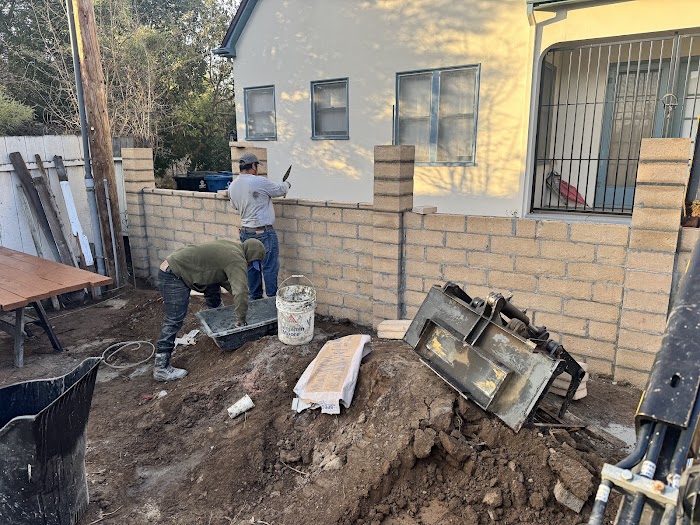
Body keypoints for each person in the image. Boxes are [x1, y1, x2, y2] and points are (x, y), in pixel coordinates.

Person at [153, 238, 266, 382]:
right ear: (249, 255)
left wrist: (244, 303)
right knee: (174, 319)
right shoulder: (237, 259)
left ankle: (217, 324)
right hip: (174, 274)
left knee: (213, 284)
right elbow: (241, 291)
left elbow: (225, 280)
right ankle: (161, 367)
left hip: (175, 267)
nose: (249, 265)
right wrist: (241, 320)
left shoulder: (232, 249)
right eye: (251, 262)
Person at [228, 152, 291, 300]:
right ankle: (271, 301)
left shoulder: (233, 186)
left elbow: (234, 206)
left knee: (252, 267)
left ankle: (255, 301)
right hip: (263, 233)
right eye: (257, 166)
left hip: (246, 233)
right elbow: (280, 189)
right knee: (269, 267)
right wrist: (287, 184)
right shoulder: (259, 181)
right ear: (253, 166)